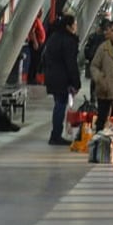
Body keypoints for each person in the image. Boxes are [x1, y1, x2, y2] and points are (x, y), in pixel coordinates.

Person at [42, 13, 83, 145]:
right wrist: (76, 81)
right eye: (74, 24)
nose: (76, 26)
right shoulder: (69, 41)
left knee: (58, 104)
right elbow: (71, 63)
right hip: (62, 77)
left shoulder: (54, 37)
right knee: (60, 105)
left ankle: (56, 133)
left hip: (52, 76)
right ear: (68, 26)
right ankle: (56, 135)